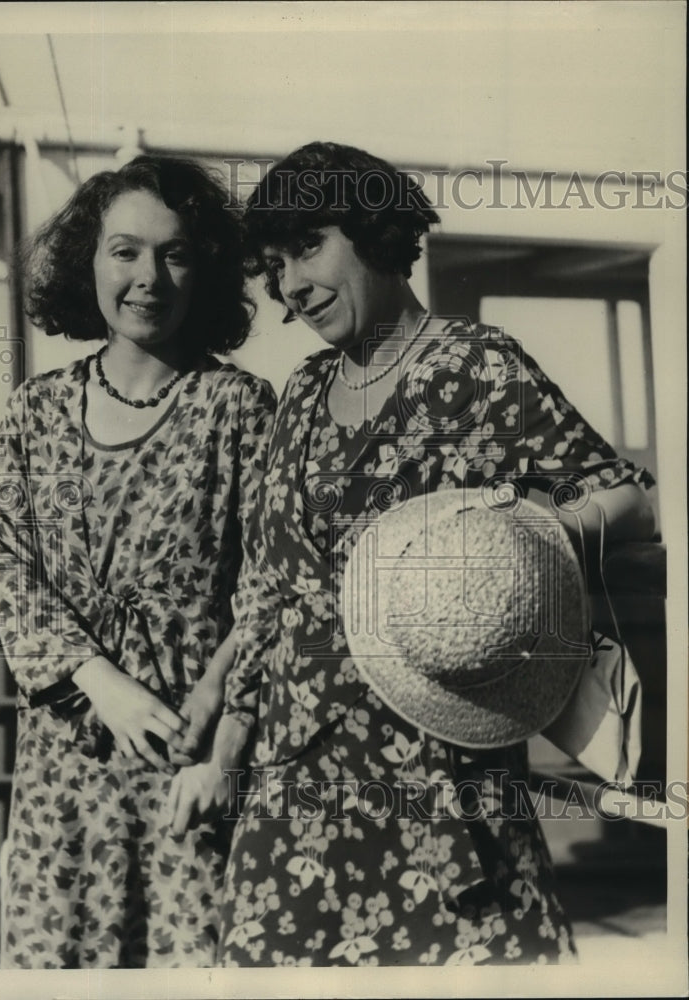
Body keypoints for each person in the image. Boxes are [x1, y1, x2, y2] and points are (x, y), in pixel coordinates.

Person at [171, 140, 657, 968]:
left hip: (442, 777)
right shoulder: (303, 392)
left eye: (309, 247)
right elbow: (266, 594)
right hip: (294, 781)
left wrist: (515, 540)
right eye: (276, 266)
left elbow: (626, 500)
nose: (293, 284)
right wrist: (226, 753)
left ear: (375, 230)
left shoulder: (478, 366)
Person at [0, 154, 276, 968]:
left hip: (191, 771)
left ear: (204, 270)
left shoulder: (238, 408)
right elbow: (12, 564)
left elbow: (272, 584)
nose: (149, 277)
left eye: (174, 254)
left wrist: (216, 718)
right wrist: (100, 683)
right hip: (63, 781)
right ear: (90, 263)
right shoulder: (36, 413)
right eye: (125, 251)